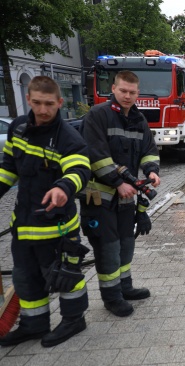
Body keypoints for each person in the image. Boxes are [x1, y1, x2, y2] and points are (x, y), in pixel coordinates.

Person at [0, 76, 91, 347]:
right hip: (24, 223)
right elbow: (9, 169)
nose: (42, 110)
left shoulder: (67, 137)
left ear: (59, 103)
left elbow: (80, 170)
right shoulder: (18, 129)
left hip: (57, 225)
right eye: (37, 103)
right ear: (28, 99)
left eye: (49, 104)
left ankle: (74, 319)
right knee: (26, 277)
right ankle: (34, 323)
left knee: (65, 276)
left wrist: (64, 187)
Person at [79, 70, 160, 317]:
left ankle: (125, 287)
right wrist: (117, 183)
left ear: (137, 93)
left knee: (126, 244)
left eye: (132, 92)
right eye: (122, 90)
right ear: (113, 89)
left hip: (126, 196)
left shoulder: (138, 119)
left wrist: (152, 170)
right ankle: (112, 297)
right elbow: (96, 155)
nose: (127, 96)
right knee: (108, 247)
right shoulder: (98, 115)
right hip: (99, 195)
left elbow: (148, 149)